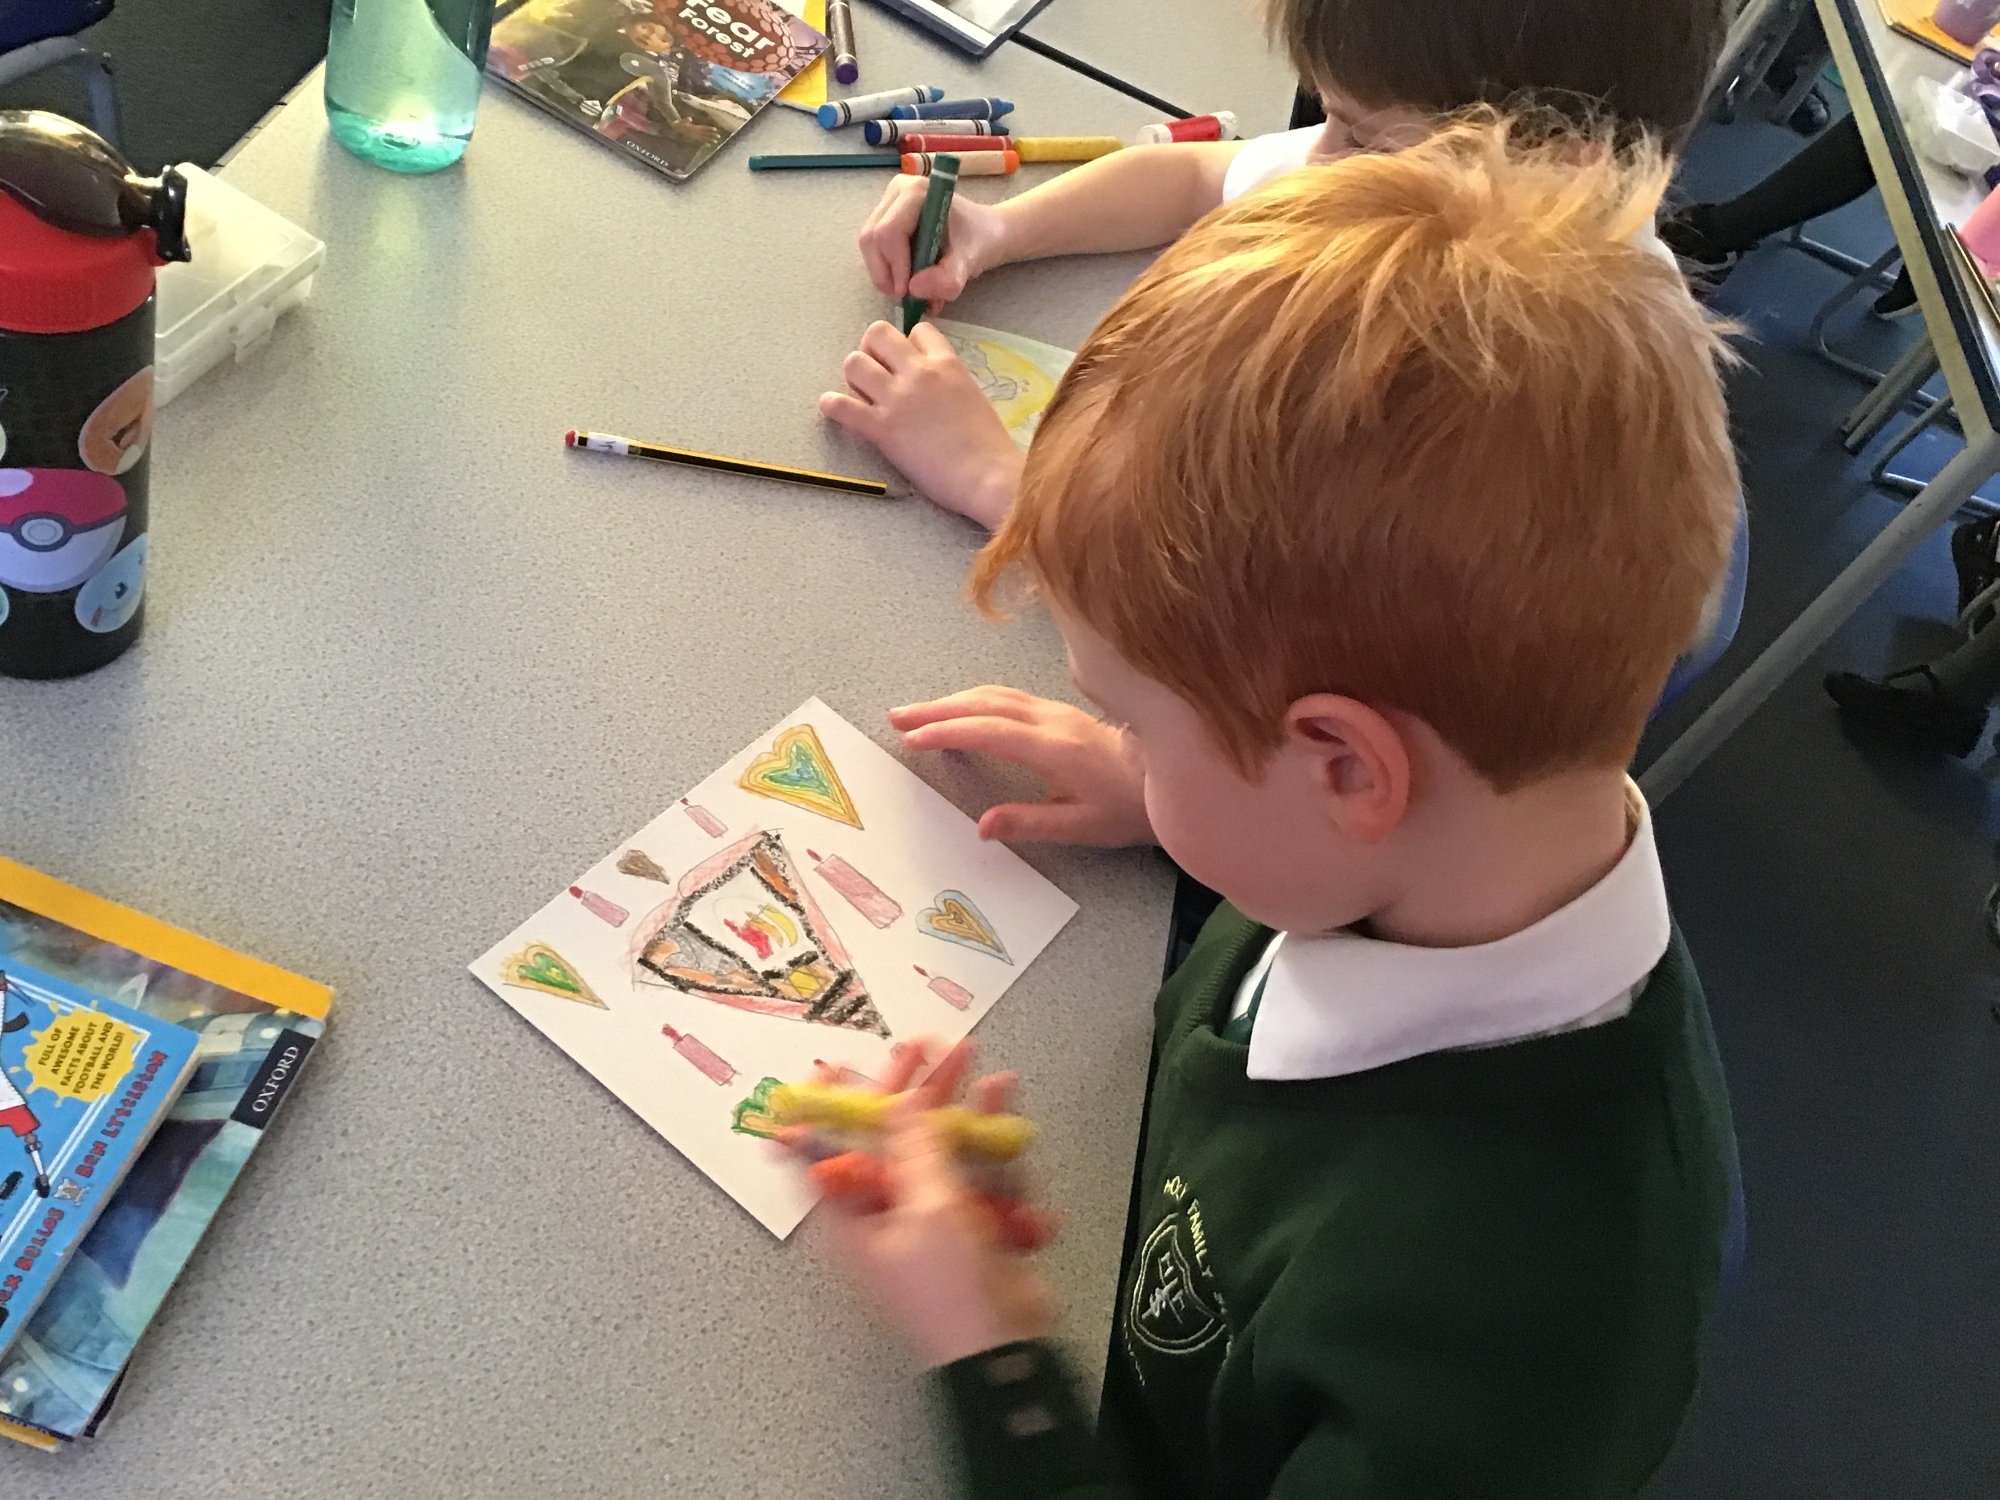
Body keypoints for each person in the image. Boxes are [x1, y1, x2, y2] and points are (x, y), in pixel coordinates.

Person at [804, 118, 1744, 1499]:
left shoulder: (1517, 1340)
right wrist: (1162, 791)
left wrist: (992, 1356)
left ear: (1345, 770)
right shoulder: (1456, 848)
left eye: (1140, 723)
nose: (1128, 747)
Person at [819, 0, 1728, 527]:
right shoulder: (1487, 188)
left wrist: (1001, 483)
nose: (1318, 158)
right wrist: (999, 231)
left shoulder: (1506, 401)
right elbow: (1196, 175)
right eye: (1327, 116)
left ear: (1556, 173)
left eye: (1361, 137)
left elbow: (1252, 623)